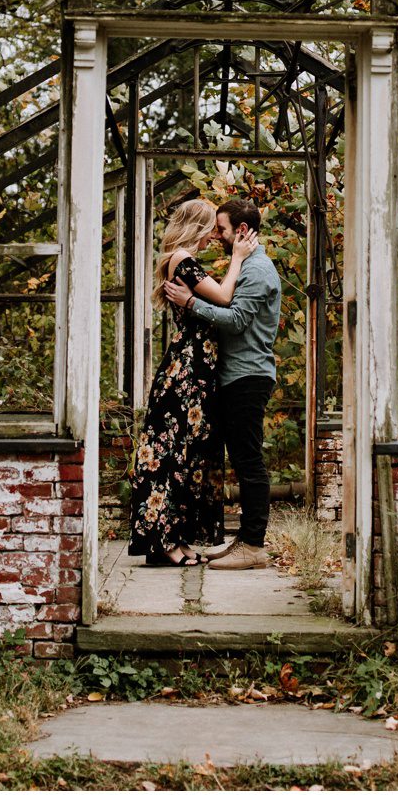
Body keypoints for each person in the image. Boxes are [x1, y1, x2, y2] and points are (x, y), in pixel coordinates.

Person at [125, 198, 253, 567]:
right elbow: (225, 297)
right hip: (186, 371)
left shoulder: (184, 260)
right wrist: (238, 258)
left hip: (196, 370)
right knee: (172, 454)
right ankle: (165, 542)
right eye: (211, 228)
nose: (215, 235)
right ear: (196, 226)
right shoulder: (182, 259)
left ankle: (176, 539)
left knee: (187, 454)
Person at [162, 196, 281, 571]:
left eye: (222, 229)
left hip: (248, 375)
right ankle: (244, 540)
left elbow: (236, 320)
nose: (216, 236)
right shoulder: (246, 266)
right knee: (242, 460)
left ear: (241, 230)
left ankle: (254, 545)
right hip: (236, 375)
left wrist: (191, 303)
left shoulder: (257, 270)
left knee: (249, 460)